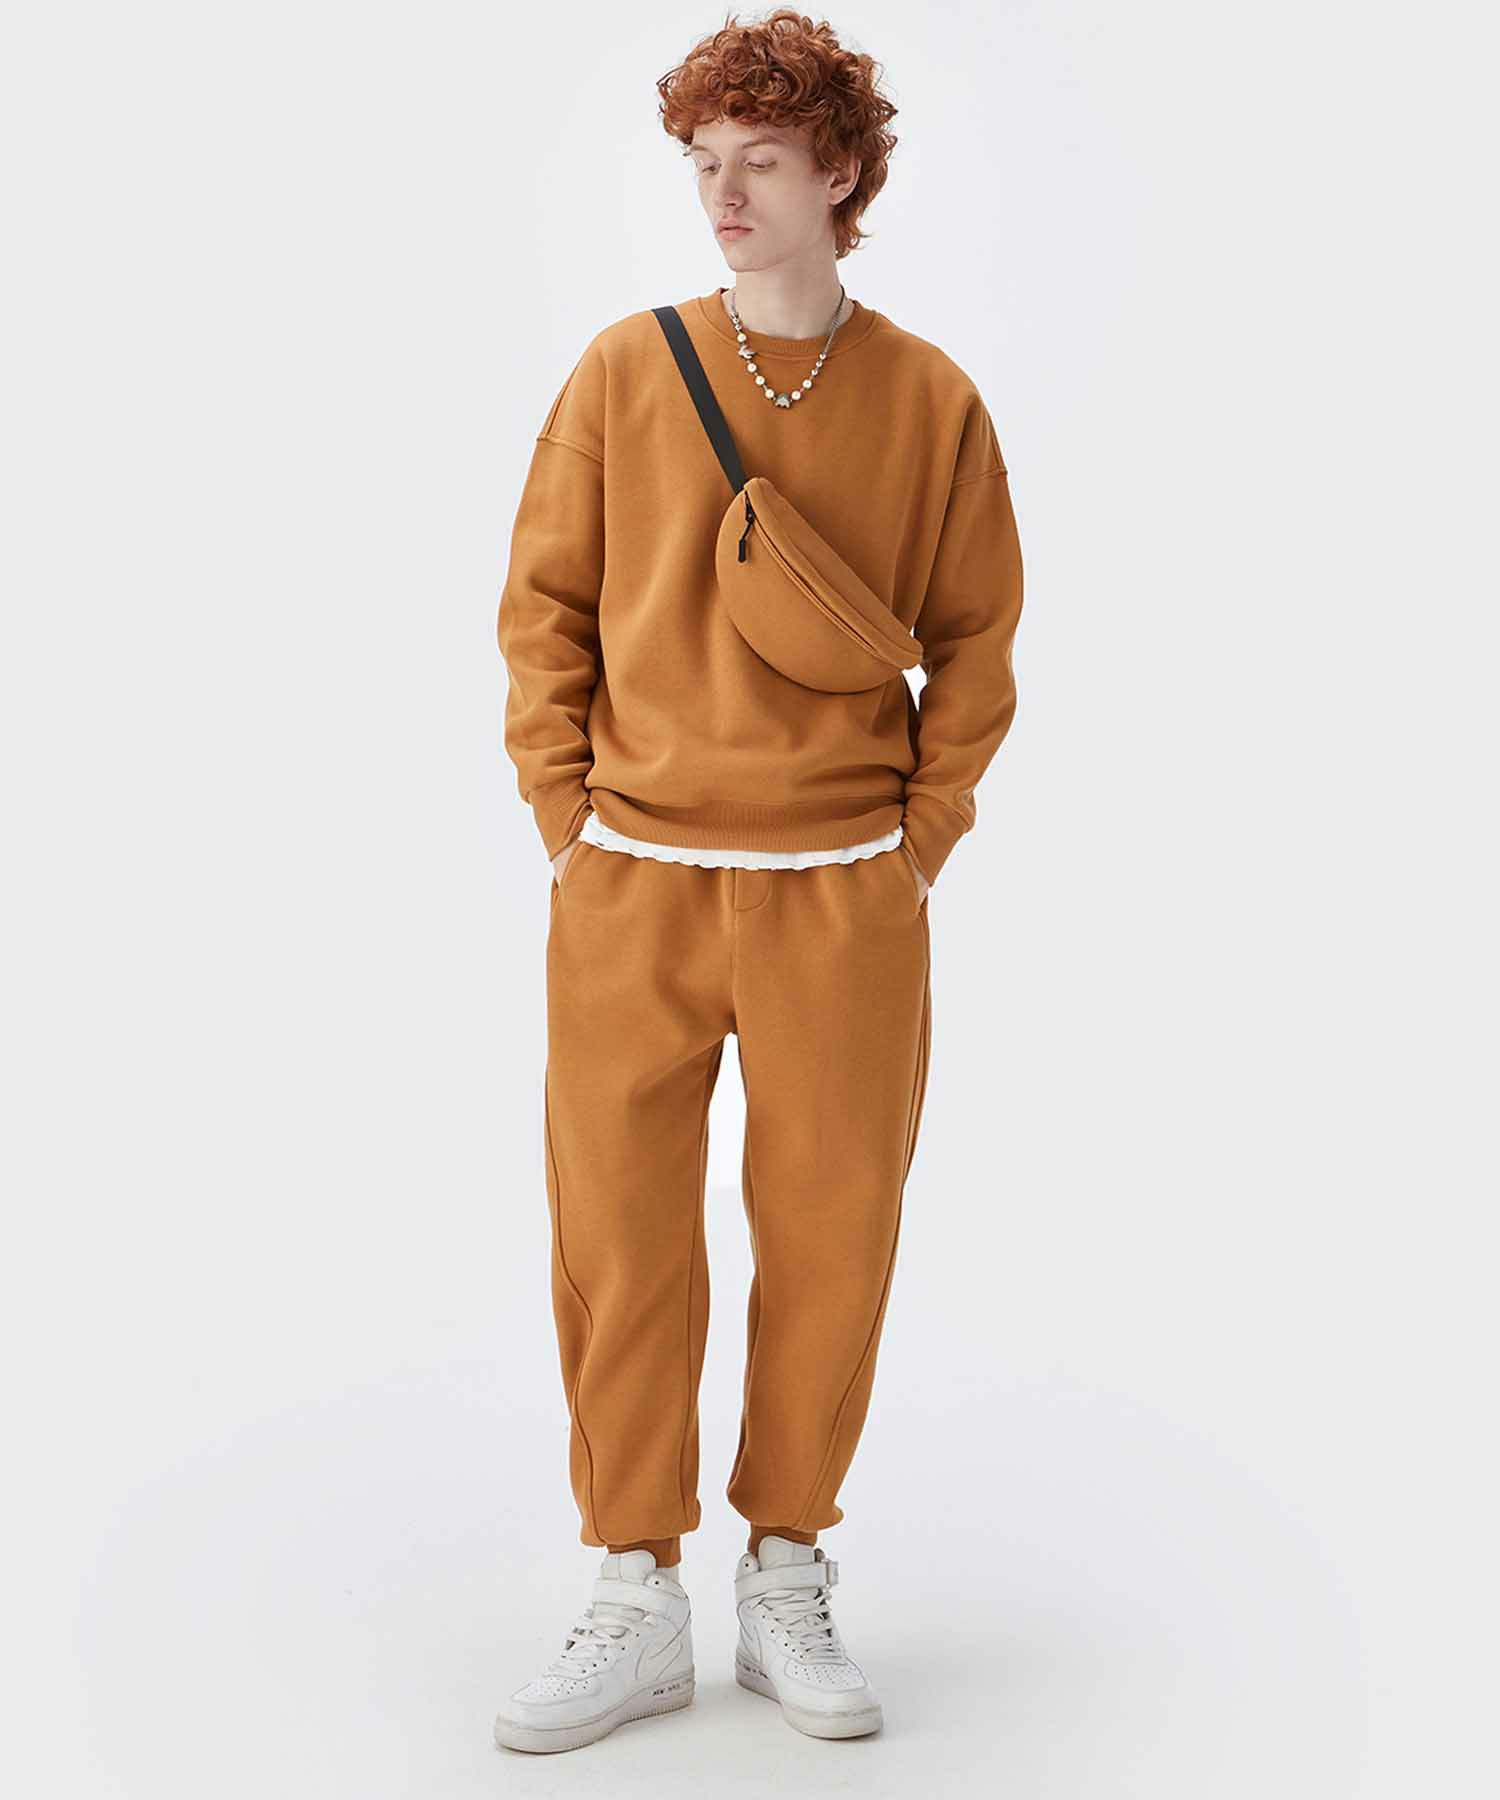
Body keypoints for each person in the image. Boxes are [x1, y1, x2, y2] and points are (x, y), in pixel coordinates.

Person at [491, 8, 1023, 1755]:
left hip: (840, 893)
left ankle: (785, 1567)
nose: (723, 195)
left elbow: (979, 642)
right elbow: (543, 613)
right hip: (632, 883)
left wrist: (916, 842)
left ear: (841, 174)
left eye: (762, 162)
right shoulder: (622, 372)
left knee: (831, 1236)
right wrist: (566, 821)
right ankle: (634, 1587)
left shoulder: (930, 400)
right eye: (703, 163)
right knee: (619, 1239)